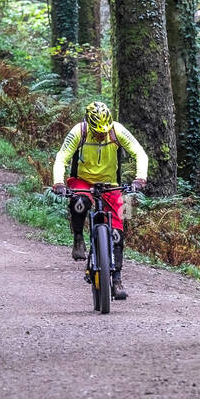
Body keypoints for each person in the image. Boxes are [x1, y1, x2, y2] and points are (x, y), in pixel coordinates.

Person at [52, 101, 147, 300]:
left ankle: (117, 279)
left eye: (105, 131)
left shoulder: (116, 131)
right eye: (98, 131)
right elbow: (62, 157)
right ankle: (78, 238)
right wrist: (58, 182)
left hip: (110, 183)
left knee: (117, 231)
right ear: (89, 123)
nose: (102, 135)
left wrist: (140, 178)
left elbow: (139, 152)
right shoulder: (80, 131)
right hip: (82, 181)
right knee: (80, 203)